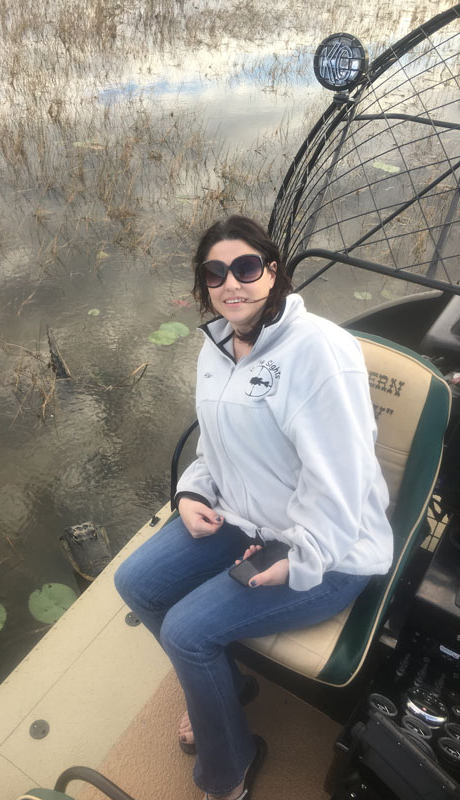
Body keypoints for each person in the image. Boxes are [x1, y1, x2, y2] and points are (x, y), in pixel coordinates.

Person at [114, 215, 393, 800]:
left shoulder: (320, 352)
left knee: (189, 632)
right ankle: (225, 689)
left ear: (274, 271)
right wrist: (192, 493)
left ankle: (230, 769)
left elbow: (344, 478)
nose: (230, 283)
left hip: (328, 547)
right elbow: (215, 447)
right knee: (136, 582)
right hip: (241, 518)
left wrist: (300, 556)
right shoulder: (217, 345)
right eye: (214, 272)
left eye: (245, 267)